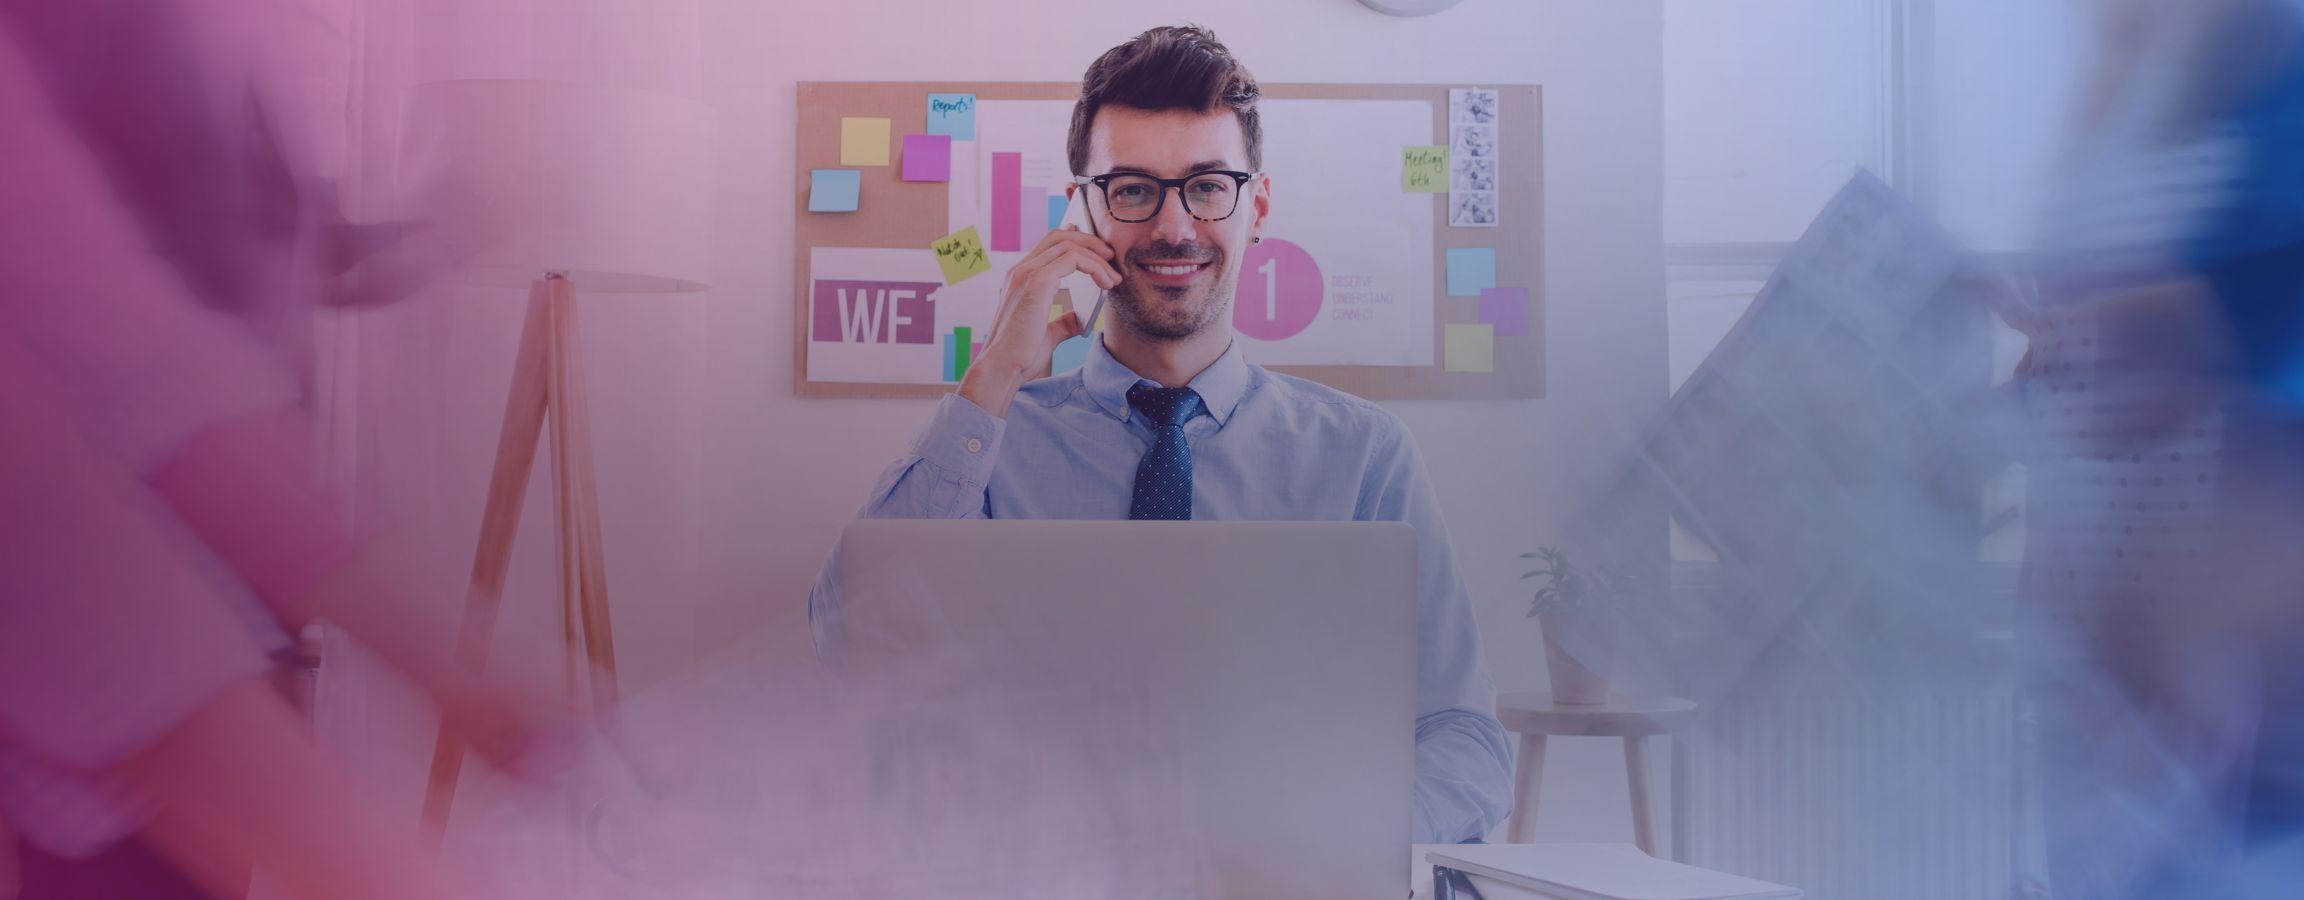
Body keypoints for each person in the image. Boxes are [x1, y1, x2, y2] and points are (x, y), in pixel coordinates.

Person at [806, 24, 1514, 844]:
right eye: (1134, 189)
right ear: (1084, 210)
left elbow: (1462, 738)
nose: (1175, 227)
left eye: (1208, 186)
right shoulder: (990, 447)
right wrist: (994, 373)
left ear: (1256, 208)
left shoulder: (1363, 457)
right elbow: (849, 640)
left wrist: (1336, 847)